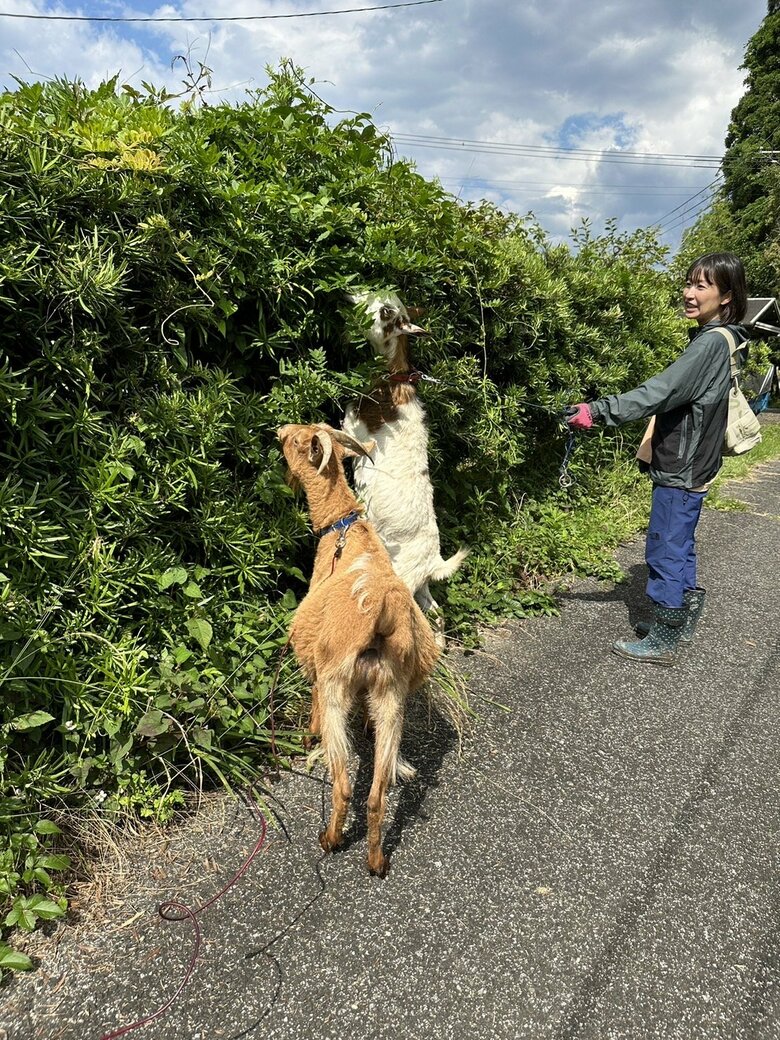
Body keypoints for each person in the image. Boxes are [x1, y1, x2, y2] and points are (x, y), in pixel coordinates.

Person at [566, 252, 749, 666]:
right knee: (680, 543)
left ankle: (664, 637)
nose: (689, 293)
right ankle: (680, 619)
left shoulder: (710, 343)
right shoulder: (727, 338)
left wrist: (597, 410)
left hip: (683, 463)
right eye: (688, 283)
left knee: (665, 546)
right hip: (698, 461)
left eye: (701, 286)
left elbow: (660, 391)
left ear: (726, 296)